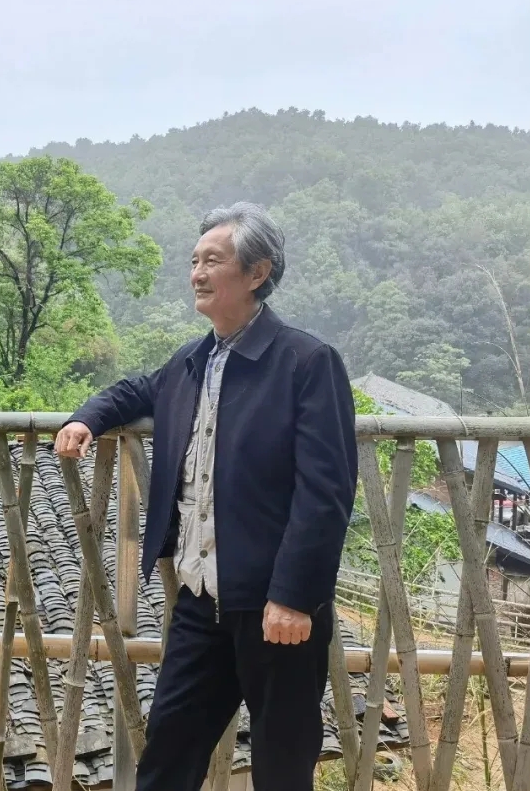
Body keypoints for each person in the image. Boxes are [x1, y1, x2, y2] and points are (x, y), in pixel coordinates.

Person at [55, 202, 357, 791]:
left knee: (282, 768)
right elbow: (135, 391)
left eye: (212, 261)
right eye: (194, 261)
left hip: (276, 609)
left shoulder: (305, 362)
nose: (196, 273)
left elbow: (326, 492)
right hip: (201, 600)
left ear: (257, 272)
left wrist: (294, 596)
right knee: (167, 759)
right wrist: (86, 418)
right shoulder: (193, 361)